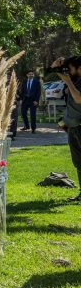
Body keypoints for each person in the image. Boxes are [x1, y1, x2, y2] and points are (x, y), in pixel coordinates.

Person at [52, 56, 81, 201]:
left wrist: (68, 82)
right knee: (79, 162)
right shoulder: (75, 80)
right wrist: (56, 66)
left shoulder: (74, 82)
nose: (67, 72)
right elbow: (51, 72)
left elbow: (78, 99)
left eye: (70, 69)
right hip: (73, 127)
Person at [17, 68, 42, 133]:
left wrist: (36, 100)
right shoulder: (24, 81)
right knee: (23, 113)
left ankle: (33, 129)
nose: (31, 75)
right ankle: (26, 126)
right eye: (29, 74)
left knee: (32, 115)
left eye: (32, 74)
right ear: (27, 75)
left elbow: (38, 92)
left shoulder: (36, 81)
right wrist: (21, 99)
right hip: (25, 100)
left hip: (33, 100)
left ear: (33, 75)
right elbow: (22, 91)